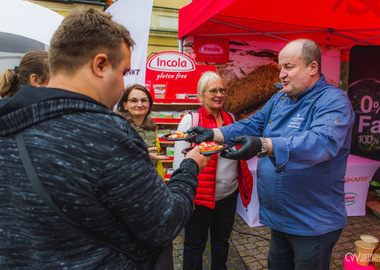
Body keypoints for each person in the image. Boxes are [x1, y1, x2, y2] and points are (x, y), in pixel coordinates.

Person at [0, 7, 210, 269]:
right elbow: (165, 223)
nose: (123, 86)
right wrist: (190, 167)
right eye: (123, 73)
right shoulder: (108, 134)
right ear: (100, 64)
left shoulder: (8, 123)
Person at [187, 39, 355, 270]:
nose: (281, 74)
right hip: (280, 219)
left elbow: (323, 142)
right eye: (280, 67)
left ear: (312, 68)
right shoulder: (280, 98)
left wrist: (264, 145)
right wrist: (212, 133)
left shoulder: (333, 100)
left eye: (288, 67)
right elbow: (252, 124)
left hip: (312, 222)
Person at [173, 71, 253, 270]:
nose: (219, 95)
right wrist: (185, 196)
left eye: (222, 90)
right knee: (194, 245)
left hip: (227, 195)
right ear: (201, 95)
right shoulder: (190, 121)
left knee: (222, 242)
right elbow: (178, 162)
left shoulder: (231, 118)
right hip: (199, 197)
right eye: (213, 91)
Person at [116, 84, 169, 180]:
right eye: (134, 100)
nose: (139, 104)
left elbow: (157, 163)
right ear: (125, 105)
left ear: (149, 104)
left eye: (144, 100)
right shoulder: (117, 127)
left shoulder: (151, 128)